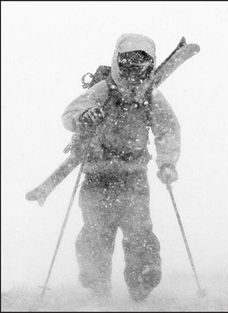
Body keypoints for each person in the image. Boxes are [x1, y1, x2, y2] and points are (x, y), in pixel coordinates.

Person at [61, 33, 180, 302]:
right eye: (127, 63)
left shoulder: (151, 95)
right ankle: (96, 280)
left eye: (140, 65)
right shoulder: (102, 90)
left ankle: (143, 279)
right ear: (117, 61)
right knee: (96, 231)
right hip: (98, 175)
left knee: (139, 231)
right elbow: (69, 114)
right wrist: (83, 115)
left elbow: (167, 130)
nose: (133, 71)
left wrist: (168, 162)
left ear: (149, 66)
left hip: (132, 177)